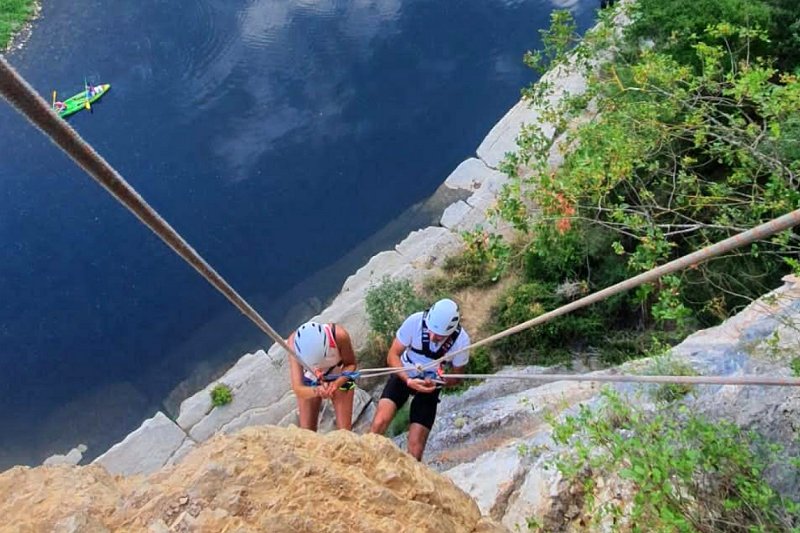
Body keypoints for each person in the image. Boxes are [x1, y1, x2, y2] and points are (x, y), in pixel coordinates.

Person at [370, 298, 470, 460]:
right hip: (405, 372)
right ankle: (363, 458)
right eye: (430, 331)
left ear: (450, 332)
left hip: (431, 384)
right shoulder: (415, 322)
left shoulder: (461, 342)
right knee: (379, 422)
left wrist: (438, 381)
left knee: (415, 446)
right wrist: (407, 379)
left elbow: (457, 377)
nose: (432, 336)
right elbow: (392, 355)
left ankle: (411, 474)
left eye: (438, 336)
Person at [287, 321, 357, 431]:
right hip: (311, 378)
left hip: (339, 375)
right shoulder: (292, 345)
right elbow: (298, 388)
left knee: (344, 431)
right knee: (306, 433)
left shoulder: (338, 335)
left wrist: (337, 383)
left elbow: (351, 365)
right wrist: (317, 391)